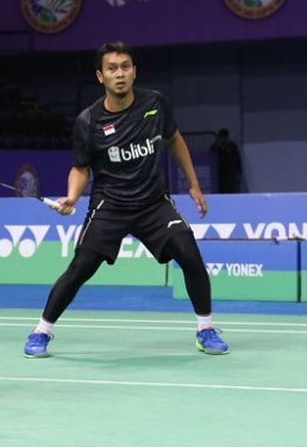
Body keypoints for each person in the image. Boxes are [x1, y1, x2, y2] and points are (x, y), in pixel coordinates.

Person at [23, 41, 229, 359]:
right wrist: (73, 197)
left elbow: (175, 140)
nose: (119, 74)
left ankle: (205, 329)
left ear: (134, 71)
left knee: (189, 253)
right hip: (111, 204)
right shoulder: (88, 121)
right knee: (81, 267)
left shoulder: (155, 104)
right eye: (112, 68)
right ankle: (41, 331)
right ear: (100, 76)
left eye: (125, 67)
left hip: (152, 203)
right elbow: (80, 167)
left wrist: (193, 184)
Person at [209, 128, 242, 193]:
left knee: (231, 190)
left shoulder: (232, 146)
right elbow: (210, 157)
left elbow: (237, 159)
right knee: (220, 190)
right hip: (219, 174)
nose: (222, 139)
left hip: (231, 174)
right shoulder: (214, 147)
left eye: (224, 137)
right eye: (221, 137)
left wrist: (239, 172)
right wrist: (218, 147)